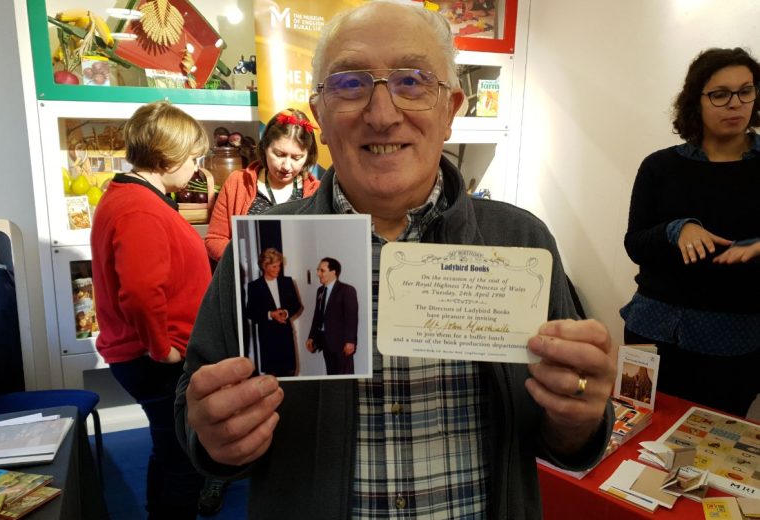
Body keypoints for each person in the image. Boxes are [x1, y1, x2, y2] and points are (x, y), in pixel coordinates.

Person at [175, 3, 616, 518]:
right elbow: (196, 408)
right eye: (349, 85)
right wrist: (210, 433)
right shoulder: (262, 250)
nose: (382, 115)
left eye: (412, 81)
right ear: (319, 115)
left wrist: (579, 416)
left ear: (451, 110)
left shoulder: (521, 242)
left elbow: (560, 433)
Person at [621, 47, 760, 418]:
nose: (735, 104)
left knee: (715, 445)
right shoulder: (660, 167)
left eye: (745, 91)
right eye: (720, 94)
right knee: (637, 435)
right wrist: (675, 230)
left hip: (735, 343)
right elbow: (635, 243)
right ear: (695, 100)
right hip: (653, 332)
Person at [91, 100, 210, 519]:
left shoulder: (129, 198)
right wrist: (163, 350)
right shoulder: (140, 207)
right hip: (155, 360)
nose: (197, 169)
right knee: (182, 460)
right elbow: (141, 292)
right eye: (194, 158)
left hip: (148, 355)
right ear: (167, 155)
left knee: (170, 450)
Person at [204, 109, 320, 261]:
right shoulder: (238, 183)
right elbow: (214, 239)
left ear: (308, 156)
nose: (286, 166)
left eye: (297, 158)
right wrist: (247, 259)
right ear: (265, 147)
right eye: (279, 155)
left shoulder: (317, 192)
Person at [247, 248, 303, 377]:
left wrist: (286, 312)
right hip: (268, 337)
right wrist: (270, 314)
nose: (278, 269)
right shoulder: (254, 286)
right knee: (272, 375)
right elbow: (250, 311)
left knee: (290, 371)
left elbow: (296, 305)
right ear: (264, 267)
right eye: (274, 266)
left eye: (279, 266)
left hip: (286, 334)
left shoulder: (287, 282)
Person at [305, 257, 358, 375]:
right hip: (326, 343)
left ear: (333, 272)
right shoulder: (320, 291)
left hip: (342, 344)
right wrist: (311, 336)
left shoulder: (347, 290)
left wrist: (350, 341)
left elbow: (351, 318)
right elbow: (317, 315)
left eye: (322, 270)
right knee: (331, 374)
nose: (318, 273)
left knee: (344, 376)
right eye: (318, 270)